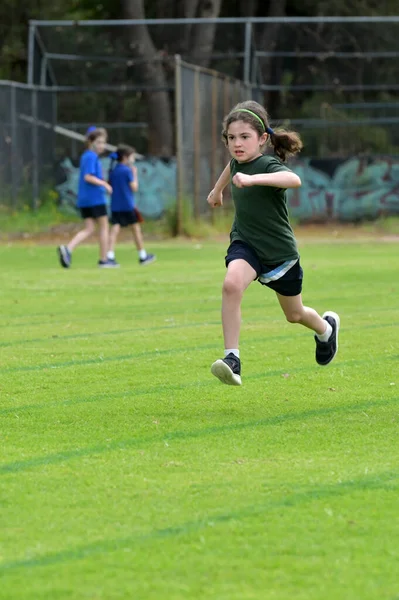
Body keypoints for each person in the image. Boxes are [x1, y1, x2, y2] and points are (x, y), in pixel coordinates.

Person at [207, 100, 340, 386]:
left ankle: (326, 329)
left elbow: (293, 179)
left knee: (294, 314)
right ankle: (232, 358)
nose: (237, 144)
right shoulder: (235, 162)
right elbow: (230, 169)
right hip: (246, 243)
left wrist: (255, 180)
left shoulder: (267, 164)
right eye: (232, 138)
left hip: (280, 254)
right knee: (231, 285)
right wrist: (217, 190)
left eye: (245, 137)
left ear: (263, 138)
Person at [58, 128, 116, 268]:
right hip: (94, 198)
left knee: (89, 228)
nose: (102, 145)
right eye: (99, 142)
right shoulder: (91, 156)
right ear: (91, 142)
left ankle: (68, 249)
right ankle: (104, 260)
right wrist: (105, 185)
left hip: (84, 199)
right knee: (104, 227)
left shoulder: (86, 156)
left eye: (103, 142)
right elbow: (88, 177)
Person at [107, 144, 155, 266]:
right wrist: (134, 174)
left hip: (115, 205)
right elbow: (134, 187)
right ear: (125, 157)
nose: (133, 159)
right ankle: (142, 255)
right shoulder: (127, 171)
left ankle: (110, 255)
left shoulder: (114, 171)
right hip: (128, 205)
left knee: (115, 229)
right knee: (136, 229)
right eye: (132, 156)